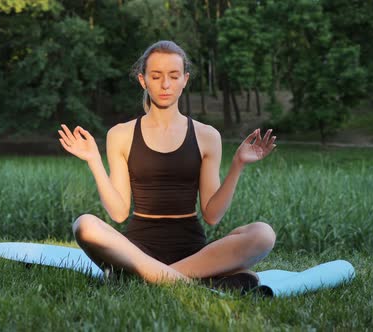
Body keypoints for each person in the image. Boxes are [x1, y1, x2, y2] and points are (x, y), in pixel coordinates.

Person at [57, 40, 277, 291]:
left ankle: (144, 277)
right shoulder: (121, 134)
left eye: (173, 76)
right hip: (137, 249)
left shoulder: (207, 135)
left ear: (185, 79)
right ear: (143, 80)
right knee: (84, 225)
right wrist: (94, 160)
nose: (165, 85)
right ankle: (200, 283)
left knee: (263, 234)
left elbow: (212, 215)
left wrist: (238, 164)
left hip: (193, 251)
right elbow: (118, 213)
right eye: (156, 76)